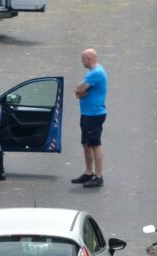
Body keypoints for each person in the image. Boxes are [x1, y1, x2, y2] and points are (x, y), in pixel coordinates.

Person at [70, 48, 107, 188]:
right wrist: (79, 91)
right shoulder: (93, 72)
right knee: (86, 143)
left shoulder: (96, 73)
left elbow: (79, 89)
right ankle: (88, 172)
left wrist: (79, 91)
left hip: (94, 114)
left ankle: (98, 176)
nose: (81, 61)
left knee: (95, 144)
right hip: (87, 113)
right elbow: (80, 90)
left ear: (89, 58)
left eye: (83, 59)